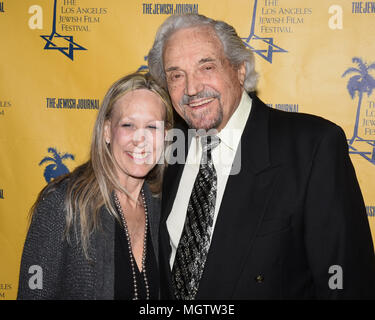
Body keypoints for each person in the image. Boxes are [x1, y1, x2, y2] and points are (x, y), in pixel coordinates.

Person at [147, 14, 375, 299]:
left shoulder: (312, 148)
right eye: (176, 75)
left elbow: (346, 284)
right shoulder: (169, 151)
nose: (191, 89)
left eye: (206, 66)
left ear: (240, 70)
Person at [17, 72, 173, 299]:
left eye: (152, 127)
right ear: (108, 131)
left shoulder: (163, 207)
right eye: (128, 125)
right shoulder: (63, 204)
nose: (140, 139)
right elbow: (33, 293)